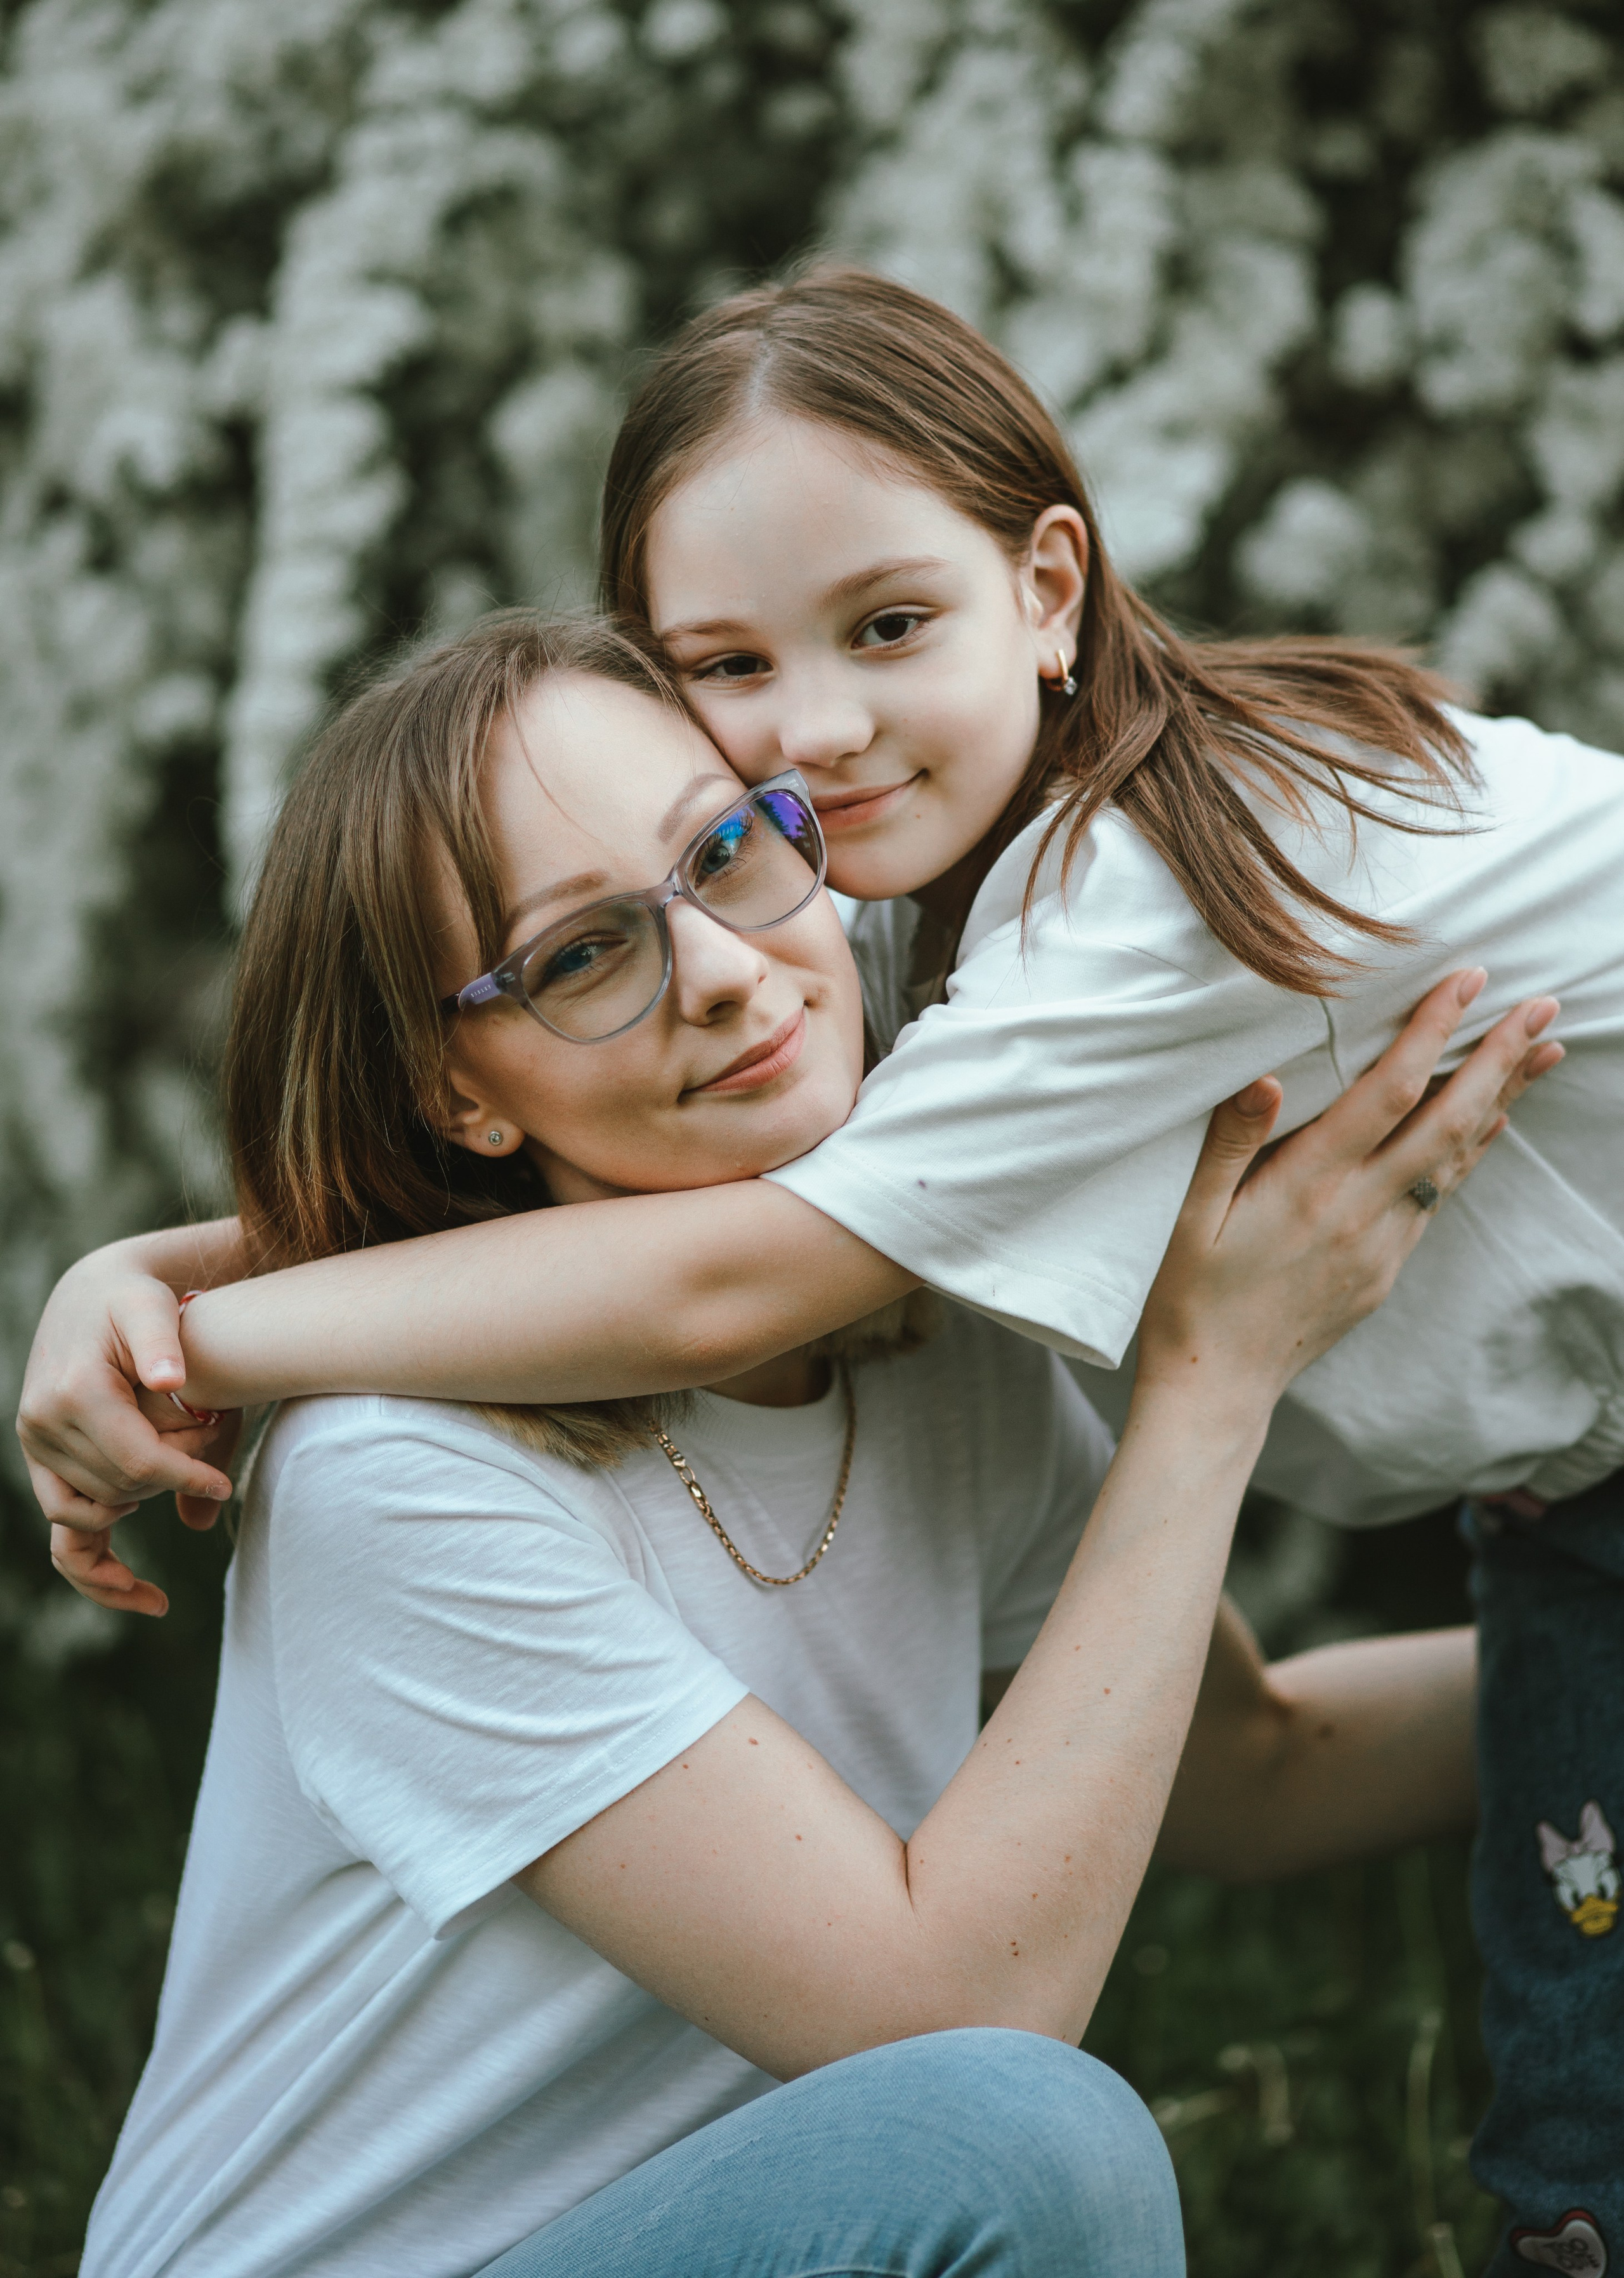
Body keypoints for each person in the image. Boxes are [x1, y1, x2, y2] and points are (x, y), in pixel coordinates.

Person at [20, 269, 1618, 2265]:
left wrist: (169, 1303)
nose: (722, 970)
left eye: (729, 849)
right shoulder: (396, 1477)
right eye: (583, 956)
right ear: (468, 1091)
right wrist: (1209, 1384)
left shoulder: (951, 1218)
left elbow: (1254, 1764)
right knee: (1021, 2144)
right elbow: (949, 2019)